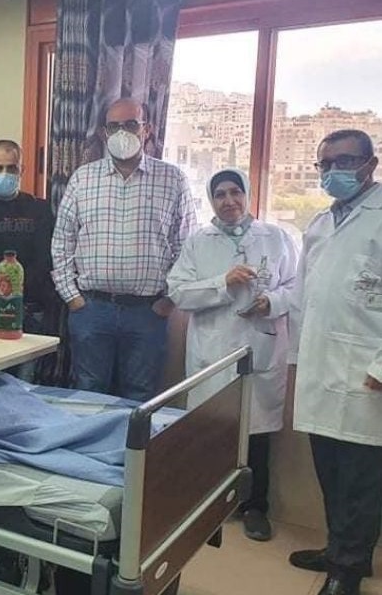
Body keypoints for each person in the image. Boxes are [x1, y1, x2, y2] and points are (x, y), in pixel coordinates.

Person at [164, 169, 298, 543]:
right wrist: (221, 282)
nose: (228, 201)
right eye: (219, 194)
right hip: (213, 349)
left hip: (260, 345)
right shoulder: (198, 241)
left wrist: (272, 301)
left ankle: (255, 507)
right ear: (211, 200)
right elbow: (178, 292)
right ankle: (211, 505)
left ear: (247, 194)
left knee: (257, 433)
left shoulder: (276, 237)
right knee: (211, 430)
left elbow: (297, 287)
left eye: (235, 192)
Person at [49, 98, 196, 402]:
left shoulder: (172, 179)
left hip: (148, 312)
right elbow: (62, 241)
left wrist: (168, 301)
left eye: (130, 124)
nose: (121, 132)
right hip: (92, 309)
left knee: (141, 397)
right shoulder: (83, 178)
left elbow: (187, 245)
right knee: (88, 393)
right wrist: (72, 297)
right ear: (104, 133)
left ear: (147, 130)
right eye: (114, 126)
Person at [288, 129, 382, 595]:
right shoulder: (320, 224)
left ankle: (348, 569)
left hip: (367, 374)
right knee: (329, 469)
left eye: (344, 161)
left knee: (362, 478)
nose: (332, 172)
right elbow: (303, 297)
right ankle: (338, 548)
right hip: (321, 367)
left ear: (370, 164)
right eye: (324, 164)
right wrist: (295, 359)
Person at [0, 140, 58, 376]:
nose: (4, 173)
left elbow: (46, 258)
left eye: (12, 168)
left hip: (29, 311)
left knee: (27, 383)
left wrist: (12, 291)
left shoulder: (40, 209)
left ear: (21, 170)